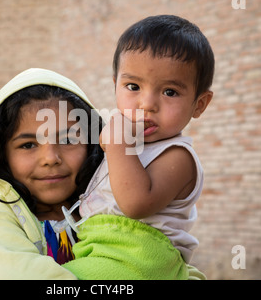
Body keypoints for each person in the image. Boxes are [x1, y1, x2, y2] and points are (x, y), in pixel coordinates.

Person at [62, 15, 214, 279]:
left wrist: (118, 143)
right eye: (133, 86)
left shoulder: (178, 157)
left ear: (199, 104)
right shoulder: (126, 141)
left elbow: (134, 204)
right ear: (116, 86)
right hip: (101, 248)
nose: (147, 104)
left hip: (140, 256)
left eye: (170, 92)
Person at [0, 68, 103, 279]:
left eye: (67, 140)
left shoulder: (112, 205)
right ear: (3, 155)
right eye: (28, 145)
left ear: (92, 144)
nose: (50, 158)